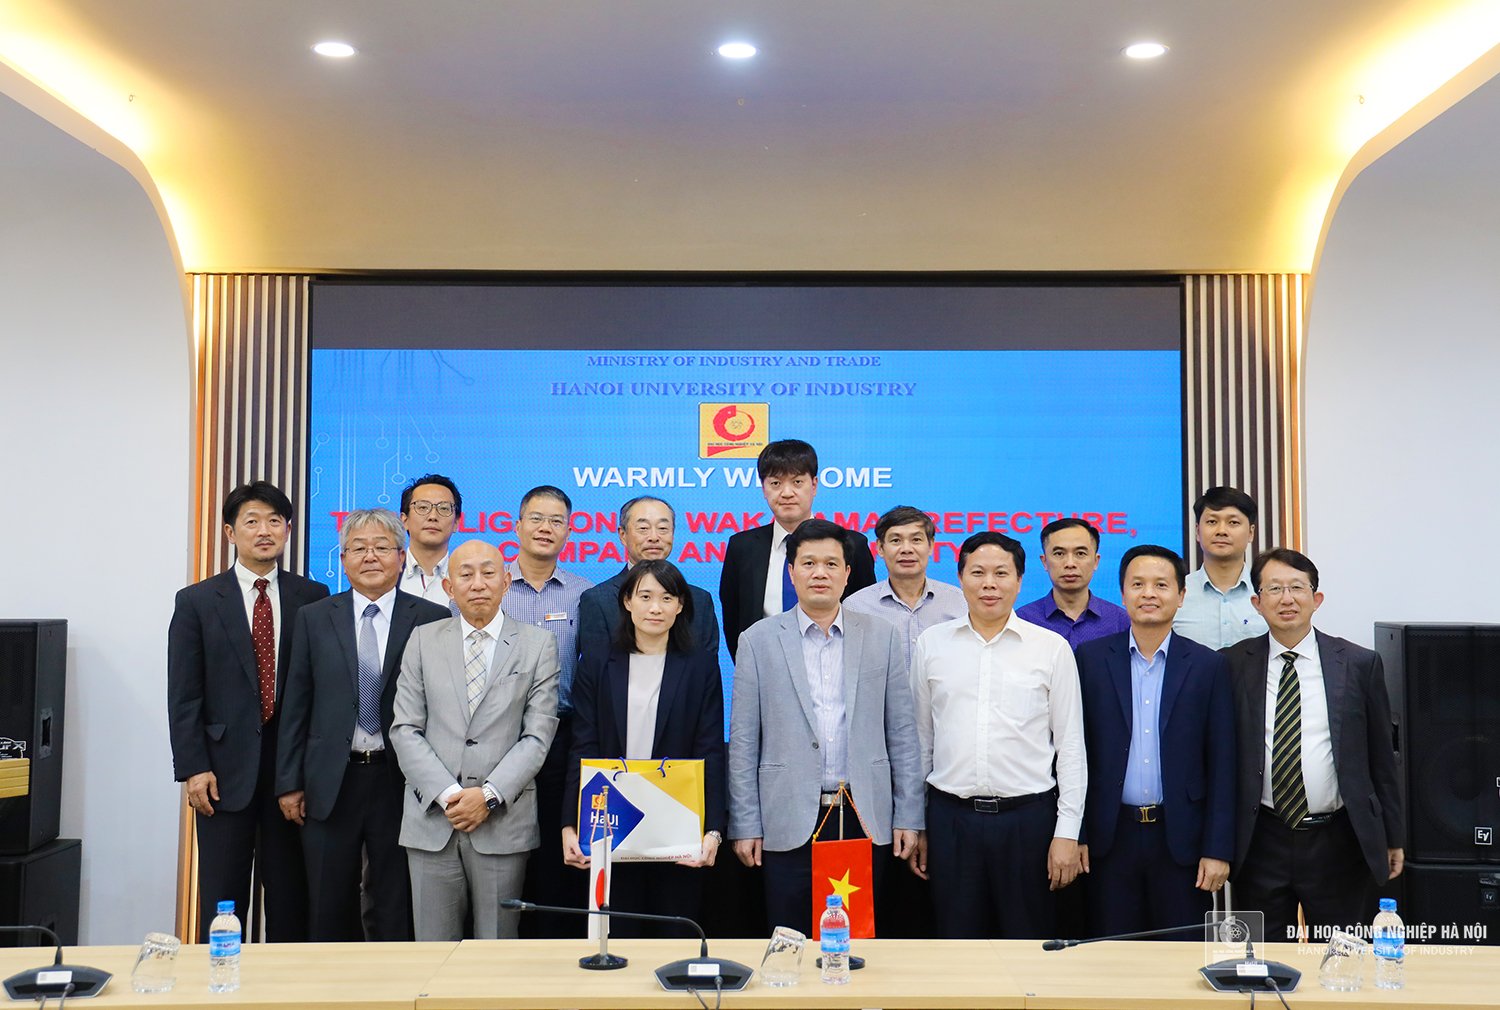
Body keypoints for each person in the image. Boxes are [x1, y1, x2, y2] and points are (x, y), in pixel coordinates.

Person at [727, 518, 923, 934]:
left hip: (863, 815)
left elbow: (903, 734)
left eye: (831, 564)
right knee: (790, 941)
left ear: (848, 573)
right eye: (809, 563)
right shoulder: (757, 640)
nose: (820, 573)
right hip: (787, 816)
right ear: (791, 572)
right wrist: (745, 823)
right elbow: (743, 743)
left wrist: (908, 815)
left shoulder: (881, 635)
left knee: (856, 944)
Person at [273, 509, 449, 940]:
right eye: (358, 548)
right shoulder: (314, 616)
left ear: (402, 557)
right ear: (343, 559)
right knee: (327, 901)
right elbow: (296, 703)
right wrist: (289, 782)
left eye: (382, 547)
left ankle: (393, 981)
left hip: (401, 780)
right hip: (330, 780)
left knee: (395, 901)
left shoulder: (432, 618)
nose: (370, 556)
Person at [167, 481, 329, 942]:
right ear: (230, 532)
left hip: (291, 776)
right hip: (221, 775)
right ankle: (220, 978)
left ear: (288, 530)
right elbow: (184, 695)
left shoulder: (313, 596)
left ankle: (288, 981)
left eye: (274, 521)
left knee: (291, 901)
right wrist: (194, 768)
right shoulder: (197, 601)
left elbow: (320, 689)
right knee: (222, 898)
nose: (264, 531)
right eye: (252, 521)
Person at [908, 531, 1085, 938]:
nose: (989, 584)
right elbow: (920, 741)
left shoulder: (1051, 648)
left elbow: (1071, 747)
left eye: (1001, 573)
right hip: (951, 820)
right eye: (978, 573)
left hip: (1028, 822)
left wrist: (1067, 832)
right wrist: (917, 823)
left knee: (1028, 943)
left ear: (1020, 581)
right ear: (960, 578)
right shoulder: (932, 644)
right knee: (956, 942)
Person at [1223, 548, 1404, 939]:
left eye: (1297, 588)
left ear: (1316, 598)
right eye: (1274, 589)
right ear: (1257, 602)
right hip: (1260, 838)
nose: (1286, 599)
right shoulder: (1232, 664)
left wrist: (1393, 836)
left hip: (1339, 839)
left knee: (1341, 955)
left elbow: (1381, 758)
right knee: (1260, 956)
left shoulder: (1359, 663)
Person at [390, 539, 561, 939]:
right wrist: (451, 795)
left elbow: (537, 736)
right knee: (433, 951)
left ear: (506, 582)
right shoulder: (422, 640)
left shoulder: (538, 645)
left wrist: (487, 796)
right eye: (465, 574)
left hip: (502, 822)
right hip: (433, 819)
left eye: (488, 573)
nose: (478, 583)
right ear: (449, 588)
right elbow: (405, 729)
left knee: (497, 951)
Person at [1073, 545, 1235, 936]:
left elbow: (1223, 763)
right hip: (1109, 838)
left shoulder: (1209, 665)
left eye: (1161, 585)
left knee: (1181, 952)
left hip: (1180, 839)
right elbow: (1075, 752)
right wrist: (1076, 834)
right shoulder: (1090, 659)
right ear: (1122, 593)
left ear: (1181, 595)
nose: (1149, 593)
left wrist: (1217, 849)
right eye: (1138, 584)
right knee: (1110, 950)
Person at [562, 560, 725, 934]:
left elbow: (711, 749)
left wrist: (714, 830)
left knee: (675, 934)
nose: (655, 608)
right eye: (645, 596)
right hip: (614, 821)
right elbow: (582, 746)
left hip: (677, 821)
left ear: (680, 606)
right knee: (618, 937)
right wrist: (570, 824)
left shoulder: (700, 665)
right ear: (627, 602)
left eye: (667, 598)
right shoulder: (598, 662)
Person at [502, 485, 594, 936]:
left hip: (563, 735)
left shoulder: (585, 594)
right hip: (501, 737)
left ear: (569, 530)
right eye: (536, 518)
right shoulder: (492, 585)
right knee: (504, 848)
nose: (545, 528)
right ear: (517, 525)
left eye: (556, 521)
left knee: (558, 850)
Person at [719, 440, 875, 658]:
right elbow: (734, 621)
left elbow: (864, 613)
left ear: (814, 485)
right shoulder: (742, 547)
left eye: (797, 482)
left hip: (837, 666)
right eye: (775, 483)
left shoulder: (852, 544)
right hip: (766, 666)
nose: (786, 493)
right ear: (763, 488)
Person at [576, 496, 719, 664]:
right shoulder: (597, 600)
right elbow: (594, 670)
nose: (654, 537)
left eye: (663, 528)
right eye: (643, 528)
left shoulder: (699, 600)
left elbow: (707, 670)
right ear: (622, 535)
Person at [842, 505, 967, 666]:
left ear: (931, 545)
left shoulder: (959, 602)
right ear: (880, 548)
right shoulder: (856, 606)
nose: (906, 549)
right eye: (896, 540)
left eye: (916, 540)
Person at [1173, 486, 1268, 649]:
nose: (1222, 531)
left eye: (1233, 523)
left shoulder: (1269, 593)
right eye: (1212, 522)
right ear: (1197, 531)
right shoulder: (1175, 594)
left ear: (1251, 533)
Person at [1015, 518, 1130, 648]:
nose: (1070, 563)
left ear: (1096, 561)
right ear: (1045, 562)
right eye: (1059, 554)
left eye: (1080, 553)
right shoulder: (1023, 620)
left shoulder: (1120, 621)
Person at [398, 474, 462, 608]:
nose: (433, 516)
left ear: (456, 523)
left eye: (444, 508)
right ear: (404, 520)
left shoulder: (468, 580)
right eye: (422, 507)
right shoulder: (386, 574)